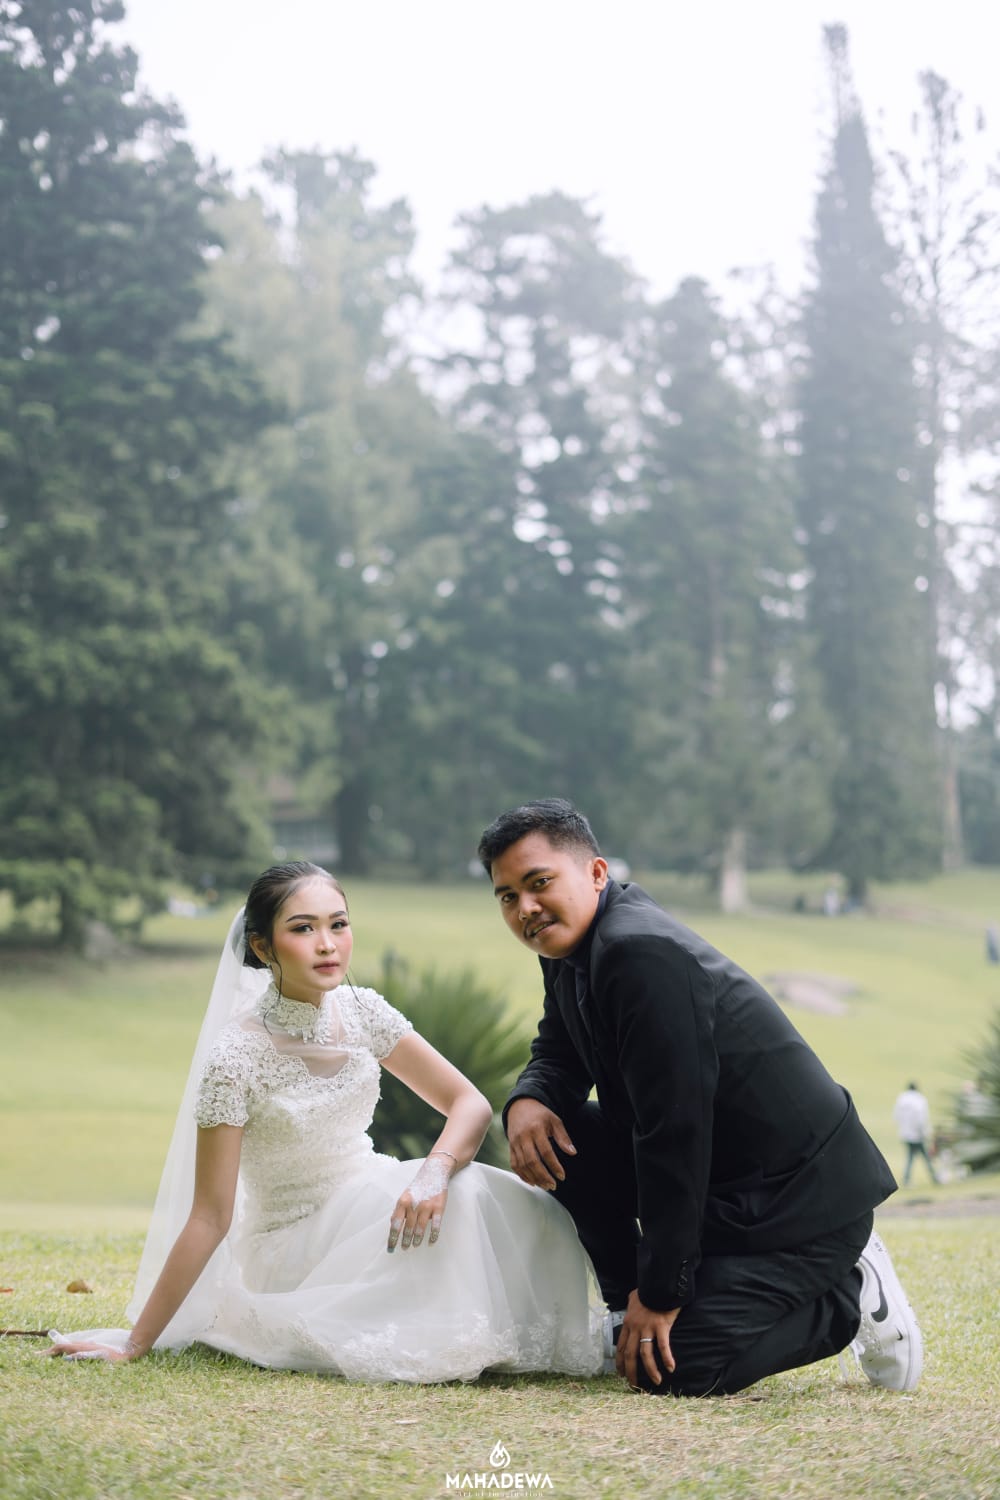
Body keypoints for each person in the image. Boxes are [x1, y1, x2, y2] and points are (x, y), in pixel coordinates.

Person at [48, 862, 603, 1380]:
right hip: (293, 1242)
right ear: (262, 946)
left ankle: (536, 1329)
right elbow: (210, 1217)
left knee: (485, 1193)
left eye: (338, 924)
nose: (327, 944)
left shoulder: (364, 1012)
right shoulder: (235, 1057)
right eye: (303, 928)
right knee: (454, 1215)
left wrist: (434, 1171)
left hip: (370, 1193)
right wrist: (135, 1342)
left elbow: (470, 1103)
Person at [478, 799, 924, 1398]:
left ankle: (850, 1295)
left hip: (797, 1200)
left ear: (596, 873)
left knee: (676, 1368)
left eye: (539, 883)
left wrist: (664, 1291)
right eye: (508, 896)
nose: (525, 908)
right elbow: (558, 1048)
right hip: (722, 1183)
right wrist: (528, 1100)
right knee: (561, 1136)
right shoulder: (568, 949)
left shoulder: (638, 954)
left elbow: (674, 1132)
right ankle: (625, 1310)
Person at [893, 1083, 939, 1187]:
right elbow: (921, 1118)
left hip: (905, 1133)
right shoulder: (919, 1100)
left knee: (910, 1157)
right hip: (917, 1134)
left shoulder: (901, 1099)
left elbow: (896, 1116)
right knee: (925, 1157)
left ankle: (906, 1179)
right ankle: (934, 1177)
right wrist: (925, 1132)